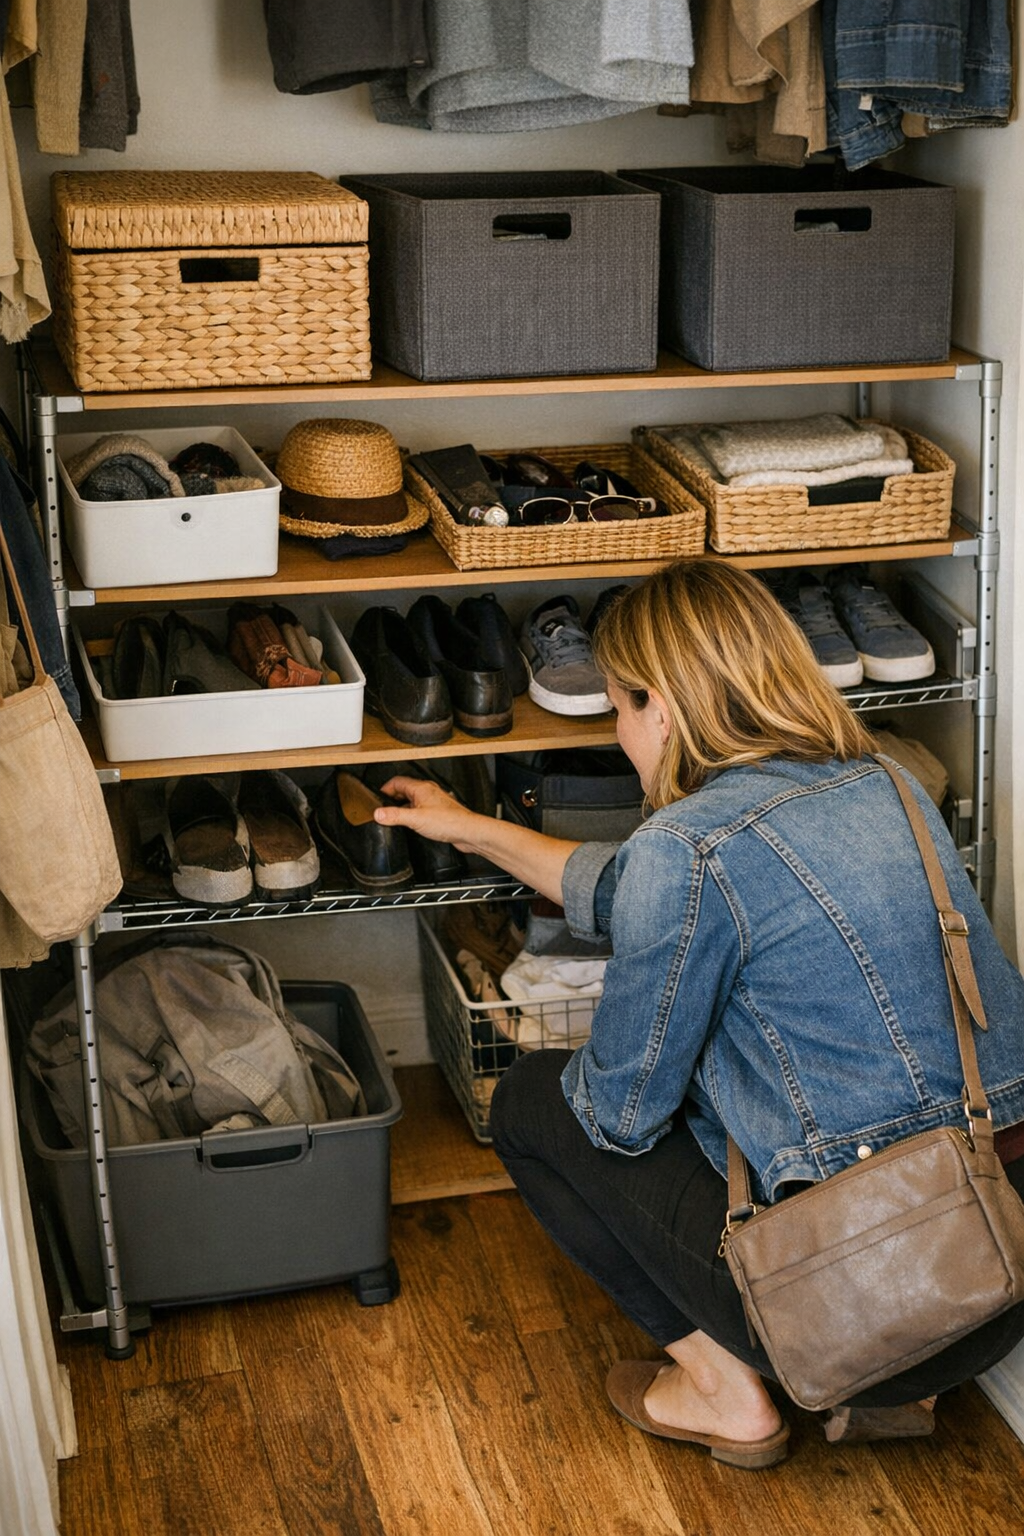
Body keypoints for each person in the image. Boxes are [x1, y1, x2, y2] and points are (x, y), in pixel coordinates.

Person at [373, 558, 1024, 1468]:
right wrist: (467, 826)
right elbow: (618, 881)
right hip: (993, 1258)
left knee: (535, 1103)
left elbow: (620, 1115)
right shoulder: (886, 783)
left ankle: (730, 1397)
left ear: (664, 710)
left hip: (858, 1297)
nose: (617, 730)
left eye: (618, 707)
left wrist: (669, 1039)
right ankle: (904, 1383)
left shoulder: (687, 846)